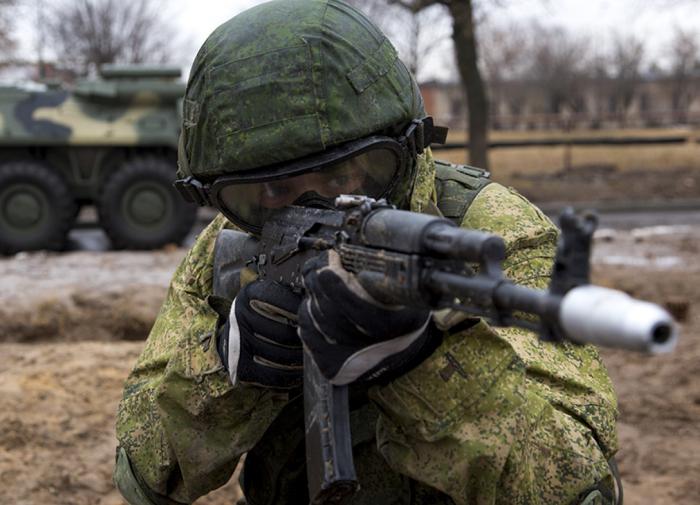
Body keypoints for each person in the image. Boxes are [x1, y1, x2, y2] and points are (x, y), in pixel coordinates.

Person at [113, 1, 620, 504]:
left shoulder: (494, 232)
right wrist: (226, 367)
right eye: (270, 191)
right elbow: (142, 477)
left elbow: (578, 489)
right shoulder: (228, 250)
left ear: (406, 146)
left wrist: (422, 362)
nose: (309, 209)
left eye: (340, 176)